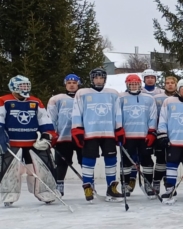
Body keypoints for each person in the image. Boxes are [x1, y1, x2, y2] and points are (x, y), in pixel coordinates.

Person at [0, 76, 58, 206]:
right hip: (12, 144)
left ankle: (46, 193)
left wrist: (47, 135)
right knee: (12, 171)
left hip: (33, 144)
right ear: (13, 87)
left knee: (40, 169)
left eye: (26, 86)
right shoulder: (4, 101)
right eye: (22, 86)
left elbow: (45, 120)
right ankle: (9, 194)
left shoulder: (35, 101)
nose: (25, 89)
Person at [71, 68, 125, 202]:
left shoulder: (113, 94)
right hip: (90, 132)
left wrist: (119, 129)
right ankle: (88, 186)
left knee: (111, 160)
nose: (99, 80)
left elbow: (118, 112)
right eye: (96, 78)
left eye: (101, 78)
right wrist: (77, 129)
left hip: (108, 132)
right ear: (92, 79)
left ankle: (111, 187)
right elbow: (77, 112)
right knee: (89, 160)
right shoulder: (82, 93)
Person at [118, 74, 158, 198]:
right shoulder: (120, 97)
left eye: (136, 83)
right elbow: (117, 115)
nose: (134, 86)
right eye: (131, 84)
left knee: (147, 161)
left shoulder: (149, 98)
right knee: (126, 162)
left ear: (140, 84)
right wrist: (119, 130)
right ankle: (125, 185)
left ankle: (148, 184)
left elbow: (153, 116)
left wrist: (152, 132)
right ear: (127, 84)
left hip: (143, 135)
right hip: (127, 136)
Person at [48, 74, 83, 196]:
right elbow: (51, 118)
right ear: (65, 84)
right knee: (61, 163)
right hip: (63, 137)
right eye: (69, 83)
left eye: (74, 82)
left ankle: (89, 185)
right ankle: (59, 186)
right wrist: (52, 135)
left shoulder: (84, 97)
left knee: (85, 162)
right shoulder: (56, 99)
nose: (72, 85)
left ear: (79, 84)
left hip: (81, 136)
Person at [144, 75, 177, 196]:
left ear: (176, 85)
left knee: (171, 160)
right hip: (160, 134)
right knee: (161, 160)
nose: (169, 85)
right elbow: (152, 113)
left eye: (172, 83)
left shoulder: (181, 97)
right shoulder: (157, 97)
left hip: (176, 134)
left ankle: (169, 184)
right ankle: (156, 182)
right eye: (167, 83)